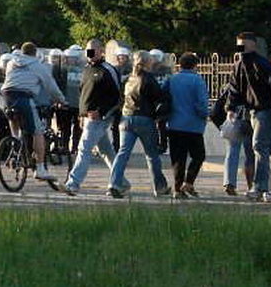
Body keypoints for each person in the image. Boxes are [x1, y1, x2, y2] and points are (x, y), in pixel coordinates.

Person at [227, 32, 271, 201]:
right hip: (253, 112)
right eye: (238, 45)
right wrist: (230, 108)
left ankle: (259, 187)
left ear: (253, 45)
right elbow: (234, 88)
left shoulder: (262, 65)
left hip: (266, 110)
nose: (240, 48)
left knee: (259, 145)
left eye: (243, 44)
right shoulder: (239, 65)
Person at [61, 39, 128, 196]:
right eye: (88, 51)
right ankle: (121, 182)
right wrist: (81, 114)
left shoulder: (108, 70)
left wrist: (102, 111)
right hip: (88, 116)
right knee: (106, 150)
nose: (90, 54)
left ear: (101, 51)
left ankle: (73, 183)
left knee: (84, 147)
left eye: (93, 50)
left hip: (100, 117)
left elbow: (116, 97)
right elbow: (83, 93)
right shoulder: (85, 70)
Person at [108, 51, 171, 198]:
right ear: (148, 63)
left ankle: (114, 184)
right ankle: (159, 187)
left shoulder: (129, 78)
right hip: (144, 118)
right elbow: (159, 98)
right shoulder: (149, 79)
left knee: (123, 153)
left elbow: (121, 97)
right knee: (151, 155)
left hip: (126, 118)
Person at [1, 42, 66, 181]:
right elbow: (50, 85)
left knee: (15, 120)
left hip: (6, 96)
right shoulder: (38, 65)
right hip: (23, 97)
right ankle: (40, 169)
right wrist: (61, 100)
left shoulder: (11, 63)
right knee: (38, 132)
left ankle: (16, 145)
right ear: (35, 53)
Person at [164, 52, 209, 198]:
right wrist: (205, 115)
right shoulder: (198, 80)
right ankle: (188, 182)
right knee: (198, 155)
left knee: (178, 159)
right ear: (195, 65)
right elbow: (201, 104)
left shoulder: (172, 79)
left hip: (174, 124)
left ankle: (177, 189)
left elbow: (164, 97)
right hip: (193, 126)